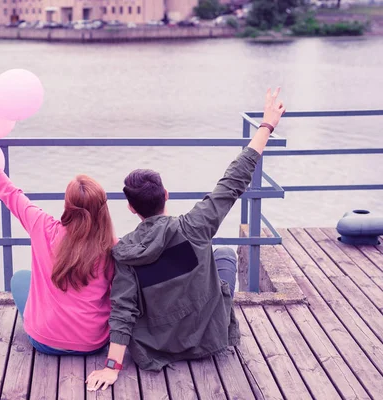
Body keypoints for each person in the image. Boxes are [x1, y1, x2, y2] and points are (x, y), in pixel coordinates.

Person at [86, 88, 286, 390]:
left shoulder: (124, 252)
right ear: (166, 196)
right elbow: (234, 180)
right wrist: (266, 125)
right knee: (225, 256)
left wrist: (112, 367)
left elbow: (123, 310)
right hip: (209, 336)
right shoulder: (195, 225)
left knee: (206, 262)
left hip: (159, 344)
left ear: (130, 208)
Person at [0, 129, 116, 355]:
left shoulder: (41, 226)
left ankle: (48, 324)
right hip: (94, 344)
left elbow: (6, 189)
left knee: (20, 279)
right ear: (102, 209)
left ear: (67, 204)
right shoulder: (111, 245)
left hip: (45, 342)